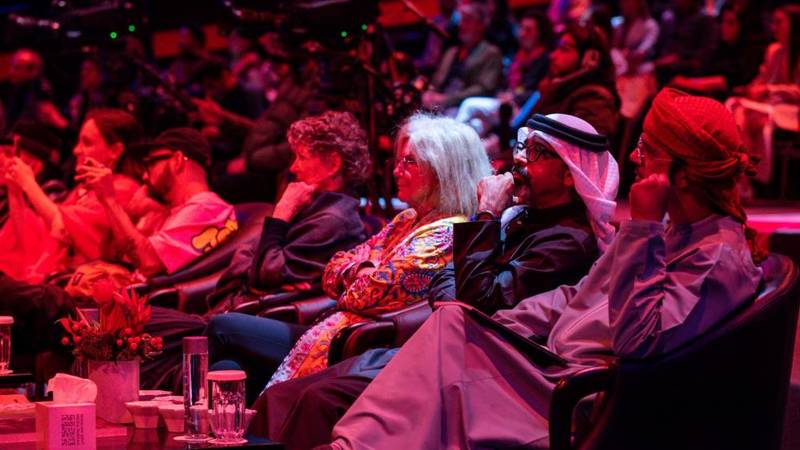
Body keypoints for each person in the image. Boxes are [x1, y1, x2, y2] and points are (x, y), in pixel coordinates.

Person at [323, 88, 764, 449]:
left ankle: (353, 446)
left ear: (683, 173)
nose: (634, 157)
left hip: (577, 394)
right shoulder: (674, 231)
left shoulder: (714, 257)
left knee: (437, 357)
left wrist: (643, 228)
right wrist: (499, 325)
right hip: (546, 362)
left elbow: (638, 344)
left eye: (647, 149)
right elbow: (577, 296)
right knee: (454, 325)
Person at [248, 113, 620, 449]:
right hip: (445, 342)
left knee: (319, 398)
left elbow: (475, 302)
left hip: (487, 368)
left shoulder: (568, 241)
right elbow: (444, 288)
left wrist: (485, 215)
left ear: (570, 174)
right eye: (523, 148)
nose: (520, 161)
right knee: (284, 394)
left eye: (537, 154)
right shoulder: (518, 219)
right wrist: (477, 250)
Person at [205, 113, 492, 403]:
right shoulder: (407, 219)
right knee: (227, 367)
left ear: (443, 171)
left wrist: (357, 271)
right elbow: (333, 268)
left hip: (360, 345)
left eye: (409, 162)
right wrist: (365, 269)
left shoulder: (447, 233)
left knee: (222, 328)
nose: (396, 171)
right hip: (331, 327)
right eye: (399, 160)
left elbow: (366, 294)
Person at [140, 111, 372, 389]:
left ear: (333, 163)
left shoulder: (333, 219)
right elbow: (246, 258)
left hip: (258, 318)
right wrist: (261, 265)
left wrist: (280, 216)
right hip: (234, 310)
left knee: (149, 324)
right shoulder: (312, 209)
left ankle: (154, 400)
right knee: (139, 319)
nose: (294, 168)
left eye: (302, 157)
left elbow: (265, 273)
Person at [0, 109, 154, 282]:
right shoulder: (82, 190)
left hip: (86, 288)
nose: (76, 150)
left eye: (86, 143)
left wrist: (28, 183)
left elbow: (62, 227)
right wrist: (15, 190)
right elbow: (34, 239)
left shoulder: (123, 189)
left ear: (115, 150)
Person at [79, 127, 237, 277]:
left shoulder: (207, 208)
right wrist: (129, 216)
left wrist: (109, 199)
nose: (144, 176)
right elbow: (114, 258)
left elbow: (149, 263)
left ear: (177, 160)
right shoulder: (177, 213)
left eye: (151, 163)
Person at [725, 4, 800, 188]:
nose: (773, 27)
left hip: (793, 111)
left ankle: (742, 180)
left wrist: (769, 90)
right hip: (772, 106)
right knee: (737, 107)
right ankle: (745, 180)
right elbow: (762, 79)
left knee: (743, 114)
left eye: (779, 22)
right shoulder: (774, 50)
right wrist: (750, 89)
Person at [454, 11, 555, 136]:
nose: (522, 33)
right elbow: (504, 83)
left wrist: (513, 97)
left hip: (521, 109)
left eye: (528, 30)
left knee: (469, 105)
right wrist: (503, 93)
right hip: (505, 103)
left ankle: (451, 141)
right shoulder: (518, 55)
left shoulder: (545, 59)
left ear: (540, 34)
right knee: (476, 124)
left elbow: (537, 92)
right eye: (521, 28)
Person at [523, 22, 621, 138]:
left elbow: (583, 147)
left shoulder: (595, 99)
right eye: (556, 48)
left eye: (564, 49)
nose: (553, 56)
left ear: (589, 59)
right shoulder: (560, 89)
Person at [668, 1, 765, 100]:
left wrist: (687, 82)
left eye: (730, 23)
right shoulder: (722, 48)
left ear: (742, 26)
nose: (723, 27)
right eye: (722, 21)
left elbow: (725, 81)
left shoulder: (747, 53)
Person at [422, 3, 504, 114]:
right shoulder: (452, 52)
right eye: (461, 20)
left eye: (467, 20)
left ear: (481, 25)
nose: (461, 25)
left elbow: (483, 89)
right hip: (439, 106)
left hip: (463, 108)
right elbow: (437, 80)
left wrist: (447, 99)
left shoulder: (491, 53)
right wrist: (430, 93)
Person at [0, 121, 68, 228]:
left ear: (34, 165)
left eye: (8, 153)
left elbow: (32, 234)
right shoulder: (4, 191)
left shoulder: (53, 190)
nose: (1, 160)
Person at [611, 0, 660, 119]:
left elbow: (641, 53)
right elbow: (613, 48)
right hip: (619, 73)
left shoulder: (650, 25)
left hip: (640, 73)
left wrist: (626, 55)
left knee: (629, 112)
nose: (624, 4)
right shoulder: (620, 25)